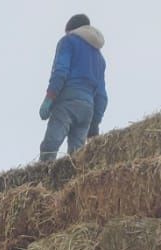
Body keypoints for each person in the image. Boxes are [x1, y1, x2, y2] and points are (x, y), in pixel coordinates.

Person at [38, 14, 108, 162]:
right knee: (77, 157)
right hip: (87, 109)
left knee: (50, 146)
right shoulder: (100, 59)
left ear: (71, 30)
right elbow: (101, 95)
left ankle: (42, 181)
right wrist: (94, 123)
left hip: (67, 102)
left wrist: (49, 98)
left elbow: (60, 72)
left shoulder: (68, 41)